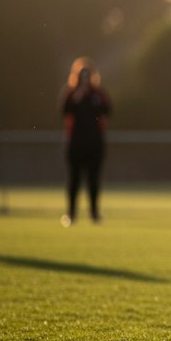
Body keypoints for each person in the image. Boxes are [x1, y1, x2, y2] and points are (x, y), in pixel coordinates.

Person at [60, 57, 111, 227]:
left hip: (94, 144)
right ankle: (71, 213)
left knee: (93, 180)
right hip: (76, 144)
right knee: (74, 180)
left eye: (87, 76)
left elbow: (108, 110)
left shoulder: (98, 94)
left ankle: (94, 213)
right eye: (82, 76)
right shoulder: (72, 94)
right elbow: (64, 110)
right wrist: (79, 94)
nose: (85, 79)